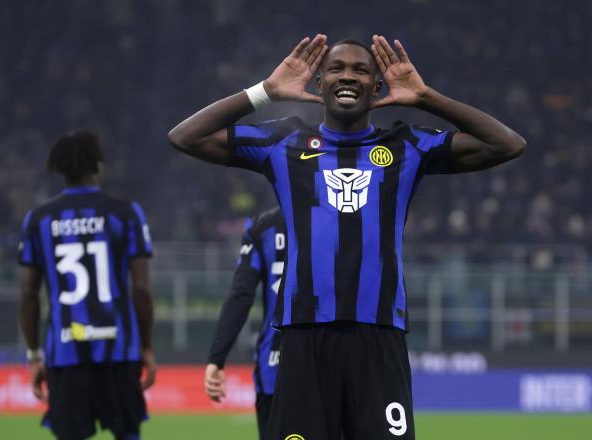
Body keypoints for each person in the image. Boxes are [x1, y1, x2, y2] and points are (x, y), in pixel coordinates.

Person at [168, 34, 525, 440]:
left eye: (361, 70)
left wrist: (426, 97)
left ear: (378, 87)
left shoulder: (406, 144)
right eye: (336, 68)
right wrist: (263, 92)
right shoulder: (285, 142)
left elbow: (507, 145)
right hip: (304, 339)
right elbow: (185, 137)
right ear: (318, 85)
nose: (348, 76)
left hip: (378, 338)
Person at [18, 130, 157, 440]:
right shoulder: (126, 214)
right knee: (127, 433)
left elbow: (28, 294)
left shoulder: (39, 220)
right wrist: (146, 347)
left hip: (65, 354)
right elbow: (141, 289)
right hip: (119, 352)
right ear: (98, 165)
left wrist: (33, 355)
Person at [205, 207, 286, 439]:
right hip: (327, 367)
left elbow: (241, 295)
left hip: (274, 367)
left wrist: (216, 358)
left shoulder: (264, 227)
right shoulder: (339, 218)